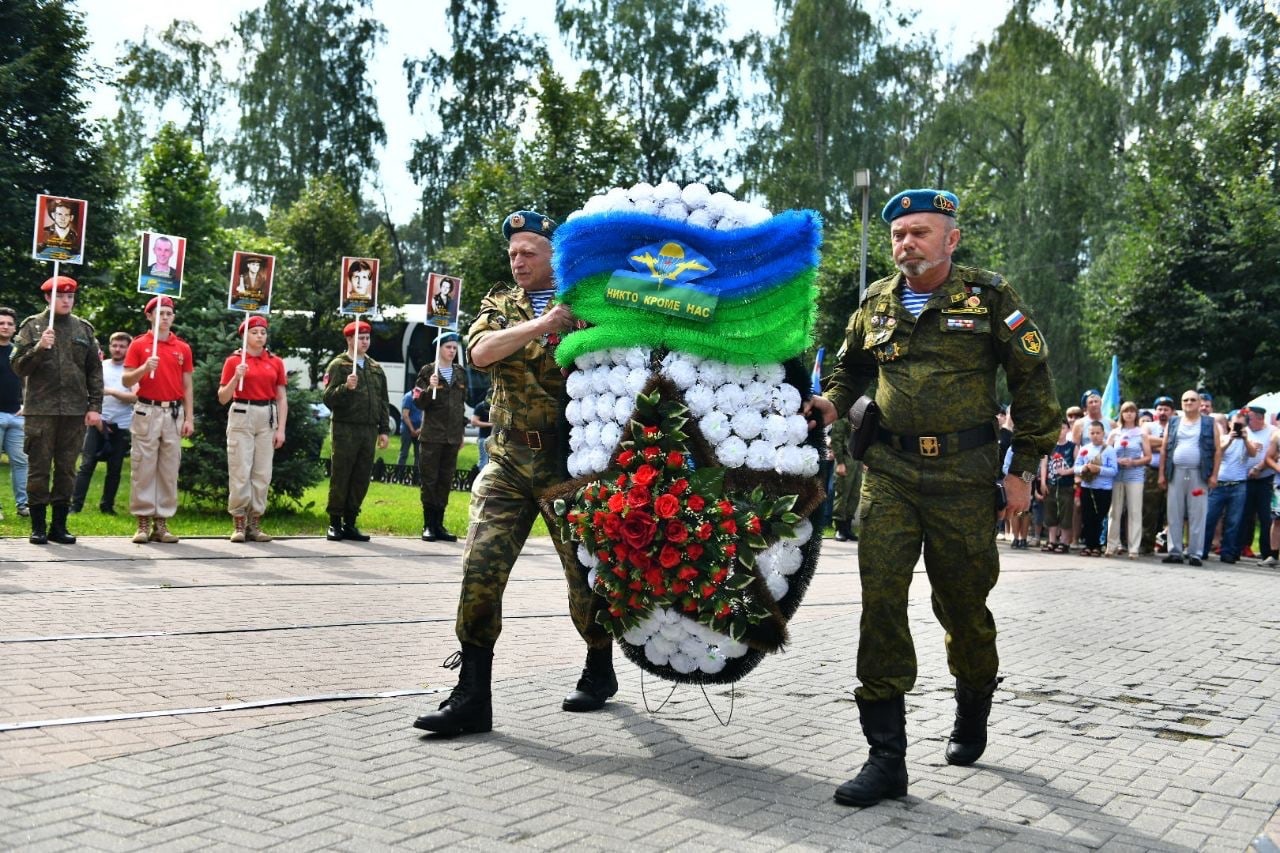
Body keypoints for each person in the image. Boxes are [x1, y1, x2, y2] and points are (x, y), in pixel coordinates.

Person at [807, 188, 1060, 808]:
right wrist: (830, 402)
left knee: (963, 608)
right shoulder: (876, 301)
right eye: (897, 235)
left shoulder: (989, 297)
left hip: (964, 477)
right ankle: (885, 757)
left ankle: (973, 702)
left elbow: (1033, 382)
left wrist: (1023, 467)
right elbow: (850, 368)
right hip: (890, 470)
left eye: (919, 232)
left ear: (951, 239)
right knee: (882, 600)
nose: (905, 244)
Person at [412, 209, 616, 737]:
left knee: (583, 577)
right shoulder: (501, 305)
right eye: (512, 254)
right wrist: (545, 324)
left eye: (529, 251)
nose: (518, 260)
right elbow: (479, 353)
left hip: (567, 465)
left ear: (555, 255)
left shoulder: (591, 304)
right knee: (480, 566)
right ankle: (473, 696)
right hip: (505, 460)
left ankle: (599, 667)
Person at [9, 277, 104, 544]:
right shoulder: (32, 327)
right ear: (47, 298)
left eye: (70, 296)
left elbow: (94, 372)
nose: (66, 300)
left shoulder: (83, 329)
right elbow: (18, 367)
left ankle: (59, 526)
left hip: (74, 412)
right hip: (41, 411)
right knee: (38, 468)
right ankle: (38, 526)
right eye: (60, 296)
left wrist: (94, 406)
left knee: (66, 469)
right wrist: (39, 348)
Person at [122, 296, 195, 544]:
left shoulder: (182, 347)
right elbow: (126, 380)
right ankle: (142, 521)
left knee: (168, 468)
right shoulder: (139, 345)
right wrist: (144, 368)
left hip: (173, 413)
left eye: (169, 313)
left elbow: (187, 384)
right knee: (143, 467)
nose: (165, 317)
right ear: (150, 316)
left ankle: (161, 522)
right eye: (160, 313)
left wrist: (189, 417)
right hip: (147, 410)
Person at [217, 315, 288, 543]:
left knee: (262, 473)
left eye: (263, 332)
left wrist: (281, 429)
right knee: (240, 469)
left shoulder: (275, 362)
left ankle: (255, 523)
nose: (260, 336)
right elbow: (222, 398)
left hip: (267, 416)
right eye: (254, 332)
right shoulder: (234, 361)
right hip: (241, 412)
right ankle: (239, 522)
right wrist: (236, 376)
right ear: (244, 335)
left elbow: (281, 398)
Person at [321, 320, 390, 541]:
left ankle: (350, 522)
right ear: (349, 339)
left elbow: (383, 402)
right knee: (341, 475)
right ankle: (335, 522)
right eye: (360, 338)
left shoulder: (375, 368)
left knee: (361, 476)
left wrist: (384, 430)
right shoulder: (339, 365)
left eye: (367, 338)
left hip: (368, 430)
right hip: (345, 428)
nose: (365, 342)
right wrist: (345, 388)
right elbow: (327, 398)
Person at [71, 332, 137, 514]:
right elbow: (88, 392)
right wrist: (96, 418)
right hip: (97, 423)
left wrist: (112, 392)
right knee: (86, 466)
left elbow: (135, 397)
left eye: (122, 346)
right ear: (110, 346)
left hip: (121, 426)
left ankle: (107, 506)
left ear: (128, 348)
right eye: (115, 345)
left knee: (114, 469)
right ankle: (75, 505)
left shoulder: (131, 370)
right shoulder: (100, 367)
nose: (117, 349)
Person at [412, 332, 467, 542]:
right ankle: (428, 524)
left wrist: (461, 432)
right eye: (448, 347)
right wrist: (429, 388)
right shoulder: (428, 371)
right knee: (430, 480)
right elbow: (418, 402)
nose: (452, 351)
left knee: (445, 481)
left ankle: (439, 524)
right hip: (432, 436)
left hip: (452, 437)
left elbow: (461, 405)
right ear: (439, 349)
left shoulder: (460, 373)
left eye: (454, 348)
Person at [1159, 390, 1221, 566]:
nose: (1189, 403)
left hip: (1198, 474)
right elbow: (1164, 449)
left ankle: (1195, 553)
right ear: (1181, 402)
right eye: (1185, 400)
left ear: (1199, 402)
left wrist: (1214, 475)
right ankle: (1175, 552)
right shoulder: (1173, 422)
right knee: (1174, 513)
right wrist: (1162, 474)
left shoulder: (1209, 423)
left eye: (1193, 400)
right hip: (1176, 472)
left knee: (1197, 514)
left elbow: (1217, 451)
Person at [1202, 409, 1256, 564]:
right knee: (1209, 518)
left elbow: (1253, 454)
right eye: (1235, 422)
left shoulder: (1248, 440)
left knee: (1234, 521)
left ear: (1245, 424)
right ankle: (1202, 549)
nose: (1238, 426)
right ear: (1229, 423)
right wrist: (1231, 439)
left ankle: (1228, 552)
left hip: (1238, 486)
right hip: (1219, 484)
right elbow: (1217, 452)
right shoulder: (1223, 438)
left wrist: (1245, 439)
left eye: (1241, 423)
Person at [1105, 401, 1152, 558]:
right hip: (1117, 476)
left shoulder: (1141, 433)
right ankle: (1111, 546)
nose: (1129, 414)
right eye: (1126, 411)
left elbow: (1148, 457)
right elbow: (1106, 454)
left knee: (1134, 511)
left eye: (1132, 411)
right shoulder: (1115, 433)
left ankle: (1133, 548)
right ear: (1122, 414)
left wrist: (1134, 462)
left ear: (1136, 414)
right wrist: (1116, 461)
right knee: (1115, 511)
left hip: (1135, 476)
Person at [0, 307, 29, 519]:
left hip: (17, 416)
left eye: (9, 323)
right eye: (1, 323)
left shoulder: (17, 352)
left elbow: (28, 381)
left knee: (21, 462)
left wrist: (26, 404)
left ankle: (23, 505)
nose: (5, 326)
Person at [1074, 420, 1118, 556]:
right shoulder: (1084, 448)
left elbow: (1114, 471)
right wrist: (1084, 468)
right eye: (1092, 433)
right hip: (1087, 487)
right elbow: (1076, 467)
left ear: (1103, 433)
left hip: (1104, 489)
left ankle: (1098, 545)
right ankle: (1088, 544)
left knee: (1100, 517)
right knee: (1088, 517)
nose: (1095, 436)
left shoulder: (1109, 450)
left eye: (1098, 433)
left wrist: (1098, 469)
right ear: (1088, 434)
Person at [1241, 405, 1277, 565]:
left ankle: (1267, 552)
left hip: (1265, 480)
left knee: (1266, 517)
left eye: (1251, 418)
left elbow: (1272, 455)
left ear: (1260, 418)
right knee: (1245, 515)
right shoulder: (1244, 430)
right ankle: (1242, 547)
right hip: (1245, 479)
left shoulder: (1272, 431)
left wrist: (1258, 467)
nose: (1248, 421)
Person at [1142, 395, 1175, 554]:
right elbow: (1144, 441)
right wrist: (1168, 443)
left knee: (1172, 510)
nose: (1162, 412)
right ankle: (1146, 544)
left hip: (1172, 472)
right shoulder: (1149, 426)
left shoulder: (1177, 426)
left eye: (1166, 409)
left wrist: (1157, 445)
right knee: (1149, 509)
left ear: (1172, 412)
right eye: (1160, 409)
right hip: (1151, 472)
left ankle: (1168, 544)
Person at [1040, 419, 1075, 553]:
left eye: (1062, 428)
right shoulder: (1049, 446)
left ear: (1068, 430)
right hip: (1051, 484)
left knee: (1066, 513)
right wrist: (1043, 482)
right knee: (1050, 512)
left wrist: (1066, 471)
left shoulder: (1072, 446)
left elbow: (1077, 465)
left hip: (1066, 485)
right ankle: (1052, 540)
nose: (1060, 431)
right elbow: (1044, 465)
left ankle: (1064, 542)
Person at [829, 416, 861, 542]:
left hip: (857, 461)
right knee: (842, 494)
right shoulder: (842, 419)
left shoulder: (859, 417)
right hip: (845, 460)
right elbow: (836, 441)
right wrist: (840, 462)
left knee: (854, 495)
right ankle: (839, 528)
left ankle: (847, 528)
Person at [397, 388, 422, 473]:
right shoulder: (408, 397)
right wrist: (412, 430)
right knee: (404, 452)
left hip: (419, 430)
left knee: (418, 454)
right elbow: (405, 415)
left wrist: (420, 429)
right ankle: (399, 474)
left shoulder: (423, 397)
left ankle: (416, 475)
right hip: (407, 429)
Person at [471, 390, 492, 471]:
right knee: (484, 462)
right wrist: (490, 424)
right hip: (484, 438)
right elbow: (474, 421)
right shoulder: (481, 406)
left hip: (497, 439)